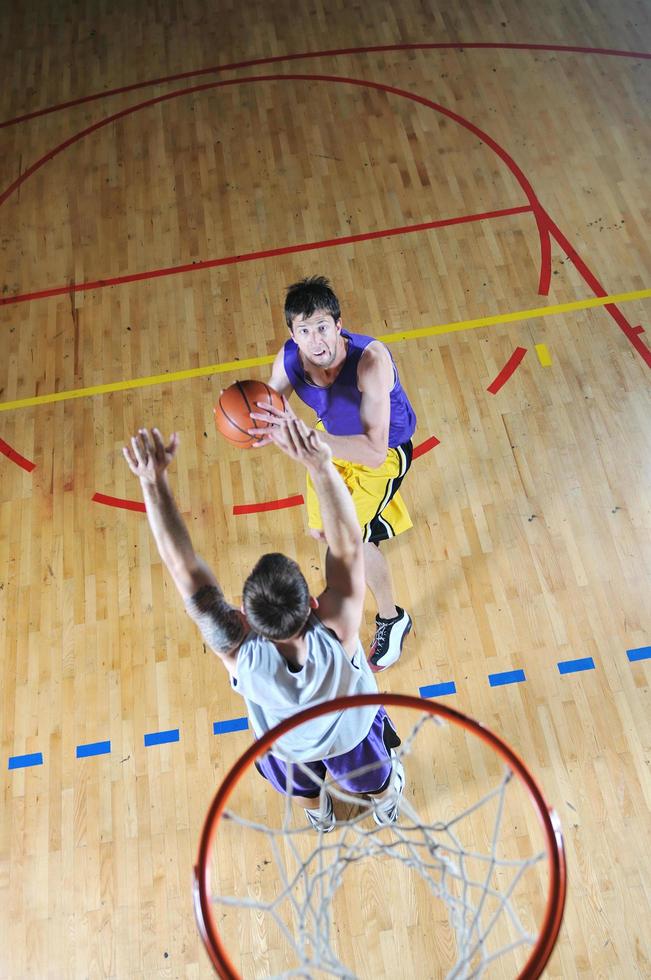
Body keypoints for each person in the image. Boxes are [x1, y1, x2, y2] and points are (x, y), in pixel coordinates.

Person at [122, 421, 404, 832]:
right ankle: (384, 803)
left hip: (287, 745)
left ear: (244, 616)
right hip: (350, 733)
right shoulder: (338, 629)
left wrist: (153, 482)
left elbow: (183, 567)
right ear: (311, 602)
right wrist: (320, 464)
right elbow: (346, 543)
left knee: (298, 782)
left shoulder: (239, 655)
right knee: (373, 778)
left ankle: (319, 814)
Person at [252, 275, 416, 673]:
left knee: (348, 545)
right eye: (304, 331)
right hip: (326, 444)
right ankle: (373, 525)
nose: (316, 340)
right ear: (293, 334)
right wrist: (250, 418)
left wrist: (308, 441)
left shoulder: (370, 362)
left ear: (339, 325)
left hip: (383, 452)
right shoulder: (291, 358)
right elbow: (268, 401)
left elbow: (375, 452)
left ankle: (393, 619)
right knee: (325, 533)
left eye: (323, 327)